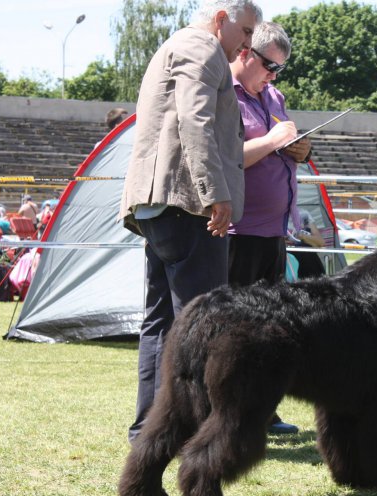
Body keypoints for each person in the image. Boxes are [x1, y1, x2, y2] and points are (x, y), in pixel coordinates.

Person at [118, 0, 262, 442]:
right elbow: (194, 121)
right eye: (245, 31)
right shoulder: (202, 48)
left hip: (161, 206)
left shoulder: (177, 46)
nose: (247, 44)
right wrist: (215, 193)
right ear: (221, 20)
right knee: (198, 327)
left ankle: (151, 429)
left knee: (162, 323)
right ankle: (183, 431)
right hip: (186, 206)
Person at [228, 21, 311, 434]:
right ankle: (229, 412)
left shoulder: (273, 95)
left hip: (275, 231)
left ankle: (264, 411)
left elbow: (287, 143)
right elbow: (227, 158)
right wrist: (275, 140)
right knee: (235, 329)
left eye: (279, 69)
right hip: (238, 233)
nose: (273, 75)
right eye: (269, 65)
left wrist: (301, 147)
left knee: (270, 329)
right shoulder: (225, 93)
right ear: (245, 52)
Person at [287, 208, 326, 279]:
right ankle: (316, 283)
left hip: (304, 255)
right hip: (284, 254)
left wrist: (303, 237)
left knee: (303, 249)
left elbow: (321, 242)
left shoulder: (303, 214)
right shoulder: (271, 214)